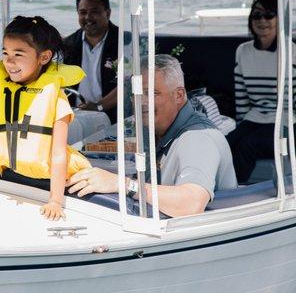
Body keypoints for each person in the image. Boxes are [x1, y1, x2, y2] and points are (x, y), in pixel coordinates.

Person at [0, 16, 92, 220]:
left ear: (44, 57)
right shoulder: (1, 91)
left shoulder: (55, 99)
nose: (9, 61)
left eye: (18, 54)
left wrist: (56, 201)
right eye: (5, 53)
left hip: (57, 180)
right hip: (17, 178)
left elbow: (59, 154)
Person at [68, 54, 237, 217]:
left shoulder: (198, 138)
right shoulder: (149, 125)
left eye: (152, 93)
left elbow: (192, 203)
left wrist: (123, 184)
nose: (141, 101)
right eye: (136, 93)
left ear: (179, 95)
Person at [227, 0, 295, 183]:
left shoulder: (292, 53)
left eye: (269, 14)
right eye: (257, 15)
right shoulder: (243, 51)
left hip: (286, 120)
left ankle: (236, 192)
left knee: (248, 145)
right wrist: (240, 127)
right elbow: (241, 98)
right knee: (225, 143)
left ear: (280, 19)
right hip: (254, 118)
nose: (262, 20)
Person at [62, 0, 130, 121]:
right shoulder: (67, 44)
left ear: (107, 13)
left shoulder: (126, 42)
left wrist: (98, 106)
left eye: (94, 12)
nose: (88, 17)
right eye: (82, 12)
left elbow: (128, 86)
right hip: (74, 114)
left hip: (113, 117)